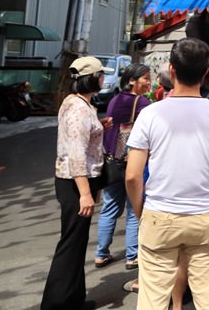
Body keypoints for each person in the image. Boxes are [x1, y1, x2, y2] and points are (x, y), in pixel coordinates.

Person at [125, 38, 209, 310]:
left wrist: (142, 212)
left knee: (152, 298)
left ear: (171, 70)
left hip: (158, 215)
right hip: (204, 216)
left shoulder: (150, 113)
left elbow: (132, 176)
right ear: (205, 73)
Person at [41, 56, 111, 310]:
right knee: (71, 244)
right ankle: (56, 304)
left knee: (76, 243)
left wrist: (99, 127)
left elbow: (79, 138)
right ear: (92, 78)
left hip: (74, 182)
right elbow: (77, 154)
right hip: (76, 184)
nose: (103, 78)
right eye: (101, 74)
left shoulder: (77, 103)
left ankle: (73, 299)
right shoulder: (80, 109)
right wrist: (85, 194)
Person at [95, 63, 152, 270]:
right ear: (131, 80)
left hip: (112, 161)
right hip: (132, 163)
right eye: (145, 78)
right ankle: (132, 255)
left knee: (109, 208)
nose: (149, 82)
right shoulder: (143, 103)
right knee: (133, 209)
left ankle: (101, 253)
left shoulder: (114, 100)